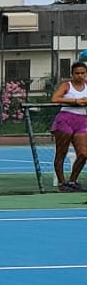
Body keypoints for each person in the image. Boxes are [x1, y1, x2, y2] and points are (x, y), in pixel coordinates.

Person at [49, 61, 87, 191]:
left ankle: (72, 180)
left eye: (83, 73)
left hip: (82, 120)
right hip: (66, 118)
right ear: (72, 74)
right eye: (77, 73)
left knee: (83, 153)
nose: (80, 76)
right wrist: (75, 101)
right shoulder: (67, 85)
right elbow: (55, 98)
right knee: (61, 152)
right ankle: (61, 182)